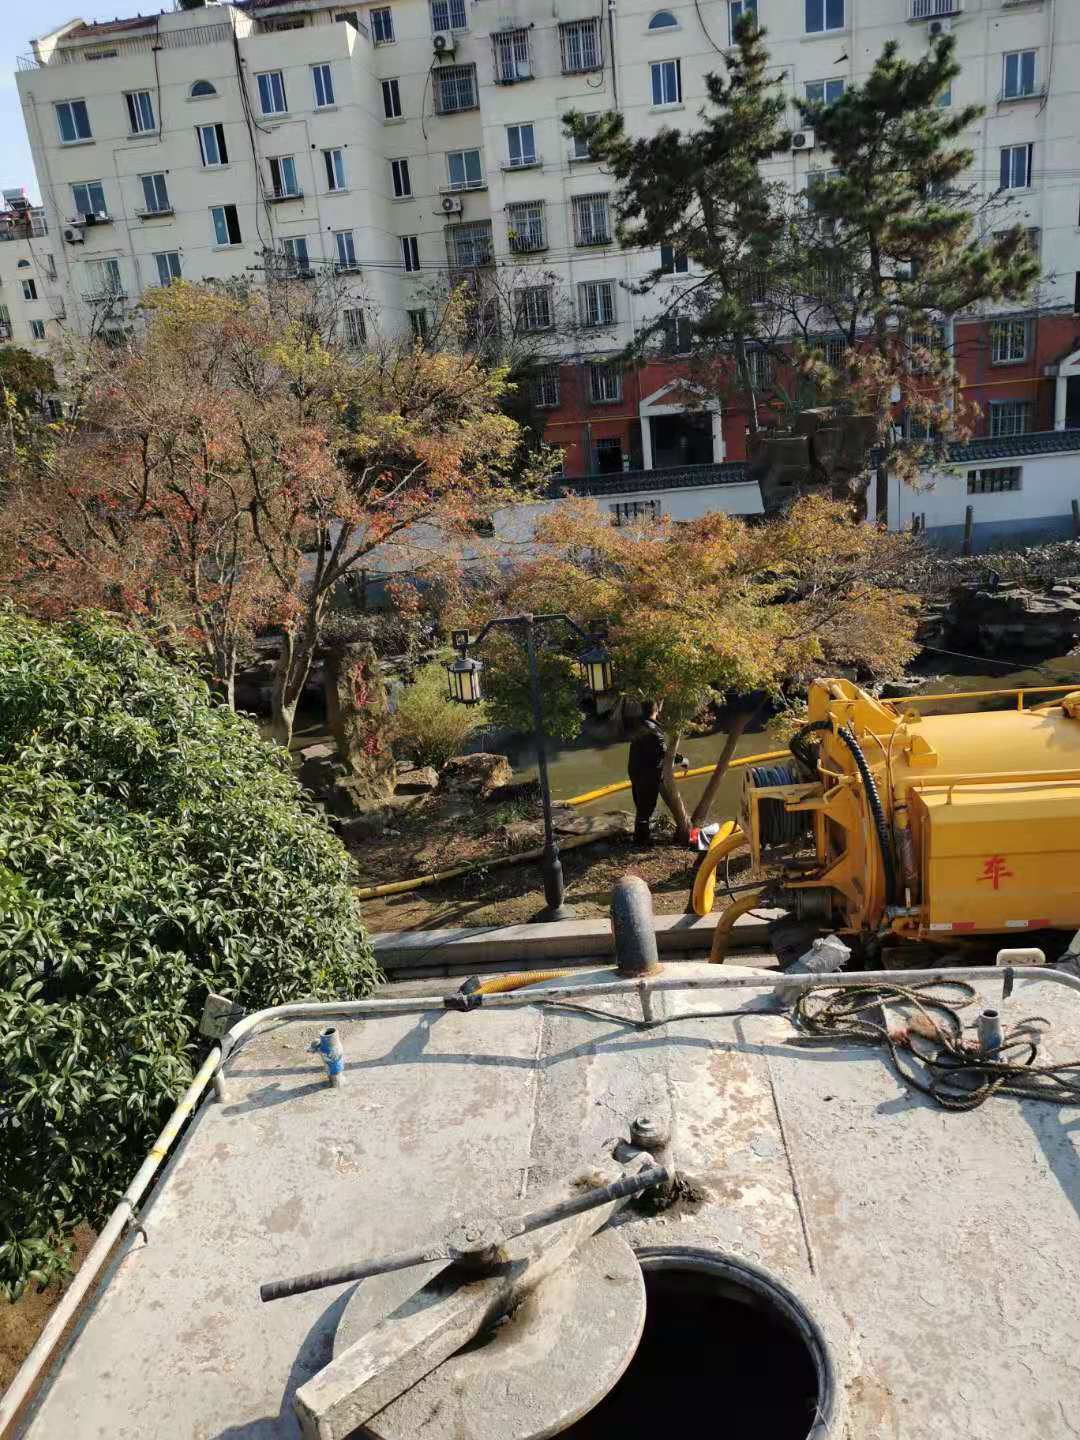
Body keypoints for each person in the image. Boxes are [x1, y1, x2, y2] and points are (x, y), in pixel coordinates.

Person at [627, 699, 686, 847]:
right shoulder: (652, 729)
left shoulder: (639, 725)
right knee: (646, 806)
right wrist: (682, 759)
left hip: (636, 771)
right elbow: (663, 751)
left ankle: (640, 836)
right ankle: (641, 840)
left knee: (641, 805)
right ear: (656, 710)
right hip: (647, 773)